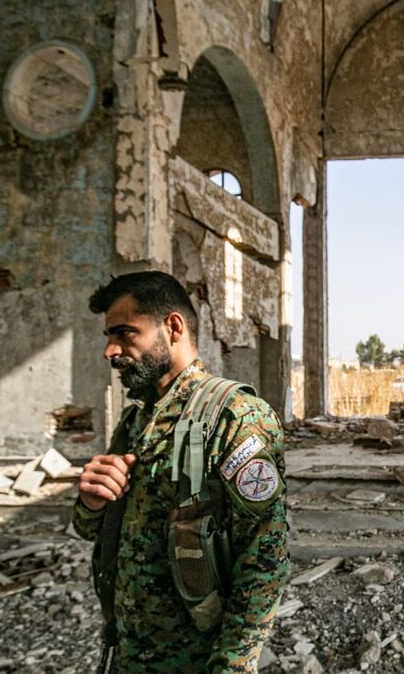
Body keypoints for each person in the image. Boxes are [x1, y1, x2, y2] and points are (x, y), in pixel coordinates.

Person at [74, 271, 288, 673]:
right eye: (108, 336)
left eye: (124, 333)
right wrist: (90, 502)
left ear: (172, 327)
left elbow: (266, 556)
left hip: (195, 658)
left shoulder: (235, 415)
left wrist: (232, 664)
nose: (109, 351)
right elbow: (92, 531)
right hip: (130, 652)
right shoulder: (136, 421)